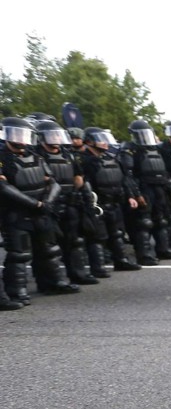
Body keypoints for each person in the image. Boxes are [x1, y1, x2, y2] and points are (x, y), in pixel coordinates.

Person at [0, 116, 80, 304]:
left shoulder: (36, 156)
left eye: (23, 134)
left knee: (50, 249)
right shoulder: (3, 159)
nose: (20, 139)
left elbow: (53, 182)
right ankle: (16, 291)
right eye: (16, 134)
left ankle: (54, 282)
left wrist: (47, 202)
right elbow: (4, 187)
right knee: (19, 254)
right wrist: (34, 204)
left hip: (42, 210)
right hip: (17, 213)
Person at [34, 119, 99, 285]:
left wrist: (81, 196)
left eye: (57, 135)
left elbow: (79, 177)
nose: (55, 138)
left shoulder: (67, 154)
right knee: (48, 246)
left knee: (74, 241)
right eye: (52, 135)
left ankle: (77, 274)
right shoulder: (36, 155)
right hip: (48, 205)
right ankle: (49, 282)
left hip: (70, 203)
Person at [80, 127, 143, 272]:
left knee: (117, 234)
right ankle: (98, 267)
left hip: (114, 202)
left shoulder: (111, 158)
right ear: (90, 141)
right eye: (100, 139)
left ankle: (121, 261)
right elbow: (83, 184)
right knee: (97, 237)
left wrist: (130, 196)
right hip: (98, 204)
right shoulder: (85, 161)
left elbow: (124, 180)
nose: (105, 143)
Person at [118, 120, 171, 263]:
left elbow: (164, 172)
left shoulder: (155, 149)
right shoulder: (129, 150)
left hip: (159, 188)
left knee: (162, 220)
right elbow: (128, 175)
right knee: (144, 222)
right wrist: (136, 194)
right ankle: (144, 254)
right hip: (144, 187)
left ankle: (164, 249)